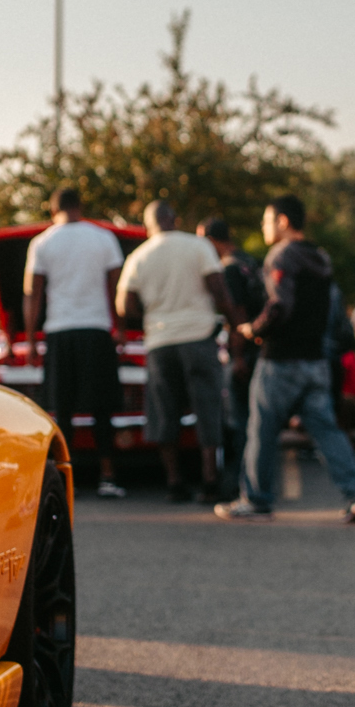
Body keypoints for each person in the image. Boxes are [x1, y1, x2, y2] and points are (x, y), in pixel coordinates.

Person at [215, 194, 355, 524]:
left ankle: (256, 501)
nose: (264, 226)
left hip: (280, 360)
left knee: (261, 429)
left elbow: (279, 305)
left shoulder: (281, 256)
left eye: (267, 220)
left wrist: (253, 329)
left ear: (284, 222)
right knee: (327, 430)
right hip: (315, 361)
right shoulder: (321, 258)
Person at [117, 200, 244, 502]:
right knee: (207, 408)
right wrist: (236, 325)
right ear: (173, 218)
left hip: (160, 342)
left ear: (148, 224)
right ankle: (209, 480)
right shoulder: (197, 247)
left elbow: (124, 305)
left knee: (164, 412)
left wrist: (149, 314)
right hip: (198, 336)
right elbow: (218, 289)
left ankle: (174, 482)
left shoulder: (138, 256)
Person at [24, 187, 127, 498]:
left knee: (62, 409)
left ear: (52, 210)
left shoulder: (42, 242)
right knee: (102, 409)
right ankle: (107, 476)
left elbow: (33, 294)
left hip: (60, 331)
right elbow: (116, 289)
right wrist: (119, 328)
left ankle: (67, 480)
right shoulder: (103, 237)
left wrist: (30, 340)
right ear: (80, 206)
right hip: (96, 329)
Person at [201, 217, 267, 501]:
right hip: (260, 348)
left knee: (238, 423)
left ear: (211, 240)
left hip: (244, 351)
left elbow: (237, 313)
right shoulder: (250, 263)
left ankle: (239, 486)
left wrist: (237, 356)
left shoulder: (228, 269)